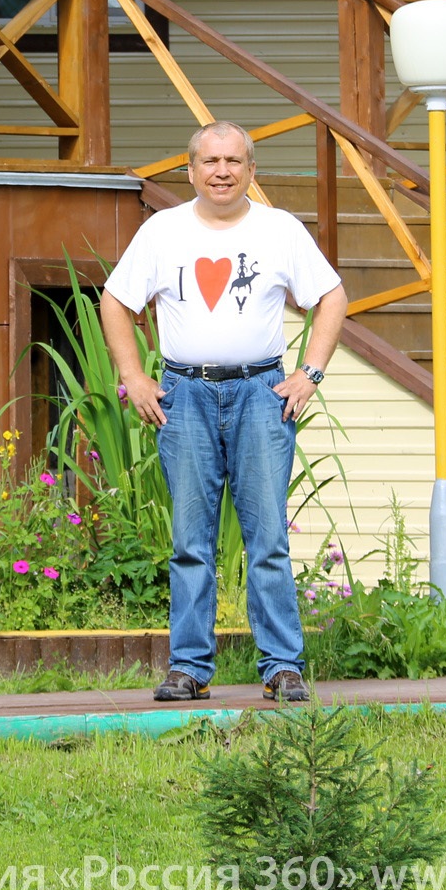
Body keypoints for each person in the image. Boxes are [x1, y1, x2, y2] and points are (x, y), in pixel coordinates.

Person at [100, 120, 348, 703]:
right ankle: (188, 667)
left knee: (267, 540)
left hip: (261, 396)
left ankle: (282, 667)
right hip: (183, 397)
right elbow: (115, 300)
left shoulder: (279, 230)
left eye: (234, 161)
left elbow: (331, 296)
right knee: (191, 540)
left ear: (250, 171)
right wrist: (133, 376)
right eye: (210, 162)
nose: (222, 172)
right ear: (190, 171)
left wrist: (309, 373)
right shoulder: (162, 232)